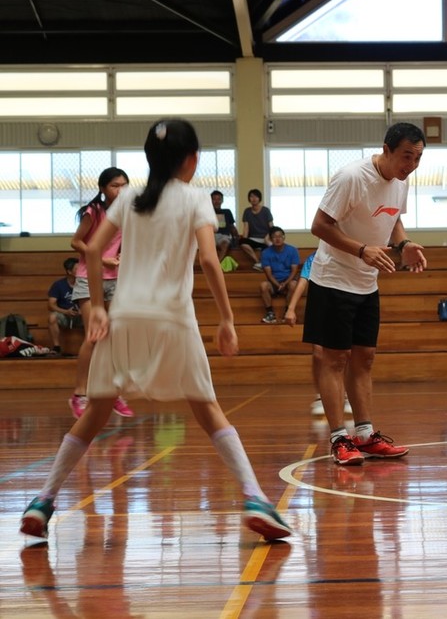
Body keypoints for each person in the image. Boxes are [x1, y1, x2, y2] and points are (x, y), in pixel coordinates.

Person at [19, 119, 291, 542]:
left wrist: (95, 310)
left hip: (123, 316)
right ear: (192, 159)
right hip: (172, 318)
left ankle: (43, 500)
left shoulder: (128, 197)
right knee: (207, 409)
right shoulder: (195, 198)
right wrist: (226, 318)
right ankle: (254, 497)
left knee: (95, 412)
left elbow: (90, 249)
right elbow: (207, 260)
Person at [304, 121, 427, 465]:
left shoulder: (401, 182)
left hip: (366, 283)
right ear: (386, 149)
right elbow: (319, 226)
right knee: (335, 359)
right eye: (406, 156)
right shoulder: (351, 177)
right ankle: (339, 439)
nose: (411, 165)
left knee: (365, 359)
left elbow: (393, 220)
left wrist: (403, 244)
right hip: (332, 280)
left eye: (417, 159)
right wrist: (361, 250)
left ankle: (365, 434)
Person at [68, 167, 134, 420]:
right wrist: (102, 258)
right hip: (89, 277)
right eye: (115, 186)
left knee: (115, 338)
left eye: (124, 185)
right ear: (103, 189)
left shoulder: (127, 213)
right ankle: (79, 394)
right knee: (93, 336)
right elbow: (76, 242)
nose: (120, 190)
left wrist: (120, 257)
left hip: (115, 279)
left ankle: (112, 392)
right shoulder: (93, 211)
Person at [284, 251, 353, 416]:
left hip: (343, 308)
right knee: (318, 354)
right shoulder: (314, 258)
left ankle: (347, 396)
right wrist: (291, 308)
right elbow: (302, 282)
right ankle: (319, 397)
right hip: (319, 309)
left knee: (347, 354)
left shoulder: (347, 256)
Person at [259, 226, 300, 324]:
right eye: (274, 237)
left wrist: (285, 283)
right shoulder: (265, 253)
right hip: (274, 283)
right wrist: (278, 285)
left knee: (294, 285)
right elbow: (268, 274)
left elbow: (294, 270)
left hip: (288, 281)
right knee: (263, 285)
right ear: (270, 239)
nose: (277, 239)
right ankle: (270, 314)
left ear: (284, 237)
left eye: (280, 236)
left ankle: (288, 311)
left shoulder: (293, 250)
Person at [46, 257, 82, 355]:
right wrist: (66, 311)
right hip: (65, 315)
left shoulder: (85, 283)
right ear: (69, 271)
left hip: (82, 316)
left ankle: (92, 346)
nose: (81, 271)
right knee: (52, 317)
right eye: (77, 269)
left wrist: (83, 311)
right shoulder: (58, 285)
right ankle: (57, 347)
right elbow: (50, 305)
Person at [240, 188, 273, 271]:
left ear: (259, 198)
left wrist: (268, 237)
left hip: (265, 238)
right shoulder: (247, 211)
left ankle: (264, 264)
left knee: (270, 248)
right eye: (251, 197)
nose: (254, 199)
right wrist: (244, 239)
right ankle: (257, 262)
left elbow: (271, 227)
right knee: (242, 242)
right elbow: (246, 228)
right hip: (253, 238)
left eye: (256, 197)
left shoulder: (266, 210)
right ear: (249, 199)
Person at [211, 189, 238, 260]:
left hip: (223, 236)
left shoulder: (227, 212)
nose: (216, 201)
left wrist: (237, 237)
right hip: (210, 236)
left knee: (225, 244)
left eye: (219, 199)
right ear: (211, 201)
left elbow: (232, 226)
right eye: (214, 199)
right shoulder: (207, 212)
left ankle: (217, 264)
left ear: (222, 201)